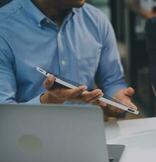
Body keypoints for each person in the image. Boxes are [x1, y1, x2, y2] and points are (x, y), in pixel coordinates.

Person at [0, 0, 137, 115]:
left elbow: (112, 82)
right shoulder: (4, 28)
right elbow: (4, 115)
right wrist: (47, 101)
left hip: (87, 133)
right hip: (28, 139)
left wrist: (118, 100)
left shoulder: (96, 20)